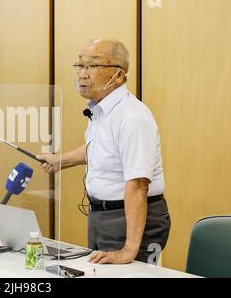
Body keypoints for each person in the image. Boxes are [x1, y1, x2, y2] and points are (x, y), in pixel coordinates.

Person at [37, 39, 170, 264]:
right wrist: (61, 160)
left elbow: (138, 185)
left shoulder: (132, 117)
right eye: (80, 65)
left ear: (118, 76)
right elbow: (100, 149)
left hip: (132, 219)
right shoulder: (101, 111)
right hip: (100, 216)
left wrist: (129, 250)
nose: (82, 74)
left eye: (93, 66)